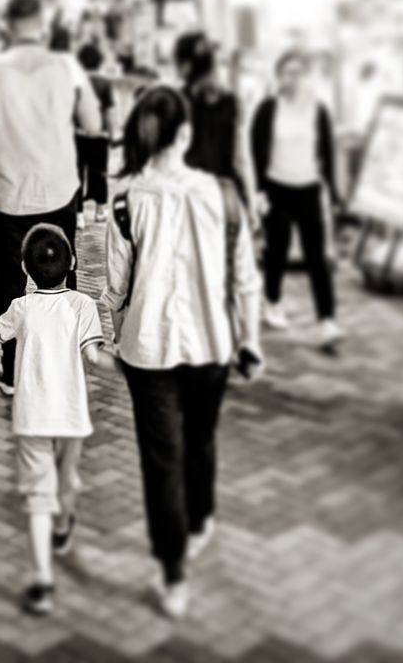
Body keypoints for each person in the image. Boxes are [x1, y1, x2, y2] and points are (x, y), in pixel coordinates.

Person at [102, 86, 262, 620]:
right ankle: (201, 520)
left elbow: (115, 284)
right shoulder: (223, 193)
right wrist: (252, 340)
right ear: (187, 134)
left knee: (160, 458)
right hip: (213, 342)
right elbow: (246, 278)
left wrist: (108, 331)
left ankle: (173, 574)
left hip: (146, 349)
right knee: (201, 437)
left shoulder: (125, 198)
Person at [0, 0, 102, 398]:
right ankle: (65, 365)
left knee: (8, 284)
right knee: (64, 280)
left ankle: (11, 373)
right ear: (42, 25)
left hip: (3, 194)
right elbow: (93, 123)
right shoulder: (68, 67)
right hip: (57, 191)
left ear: (8, 26)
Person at [0, 224, 115, 616]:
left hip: (33, 415)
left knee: (38, 496)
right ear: (71, 264)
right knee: (67, 478)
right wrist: (127, 366)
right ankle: (64, 525)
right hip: (70, 414)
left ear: (24, 267)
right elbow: (95, 357)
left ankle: (41, 581)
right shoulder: (83, 307)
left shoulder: (22, 307)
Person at [251, 49, 344, 349]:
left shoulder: (319, 110)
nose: (293, 78)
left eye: (298, 72)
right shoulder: (268, 108)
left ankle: (327, 321)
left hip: (308, 189)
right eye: (287, 72)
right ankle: (272, 300)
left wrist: (333, 193)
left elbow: (327, 153)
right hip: (277, 187)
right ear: (279, 76)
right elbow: (255, 149)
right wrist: (259, 191)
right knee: (276, 250)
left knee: (317, 256)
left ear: (305, 76)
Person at [174, 32, 256, 208]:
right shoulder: (232, 102)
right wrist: (251, 202)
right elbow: (241, 159)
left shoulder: (176, 101)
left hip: (187, 193)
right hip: (222, 194)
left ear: (186, 66)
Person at [75, 42, 114, 223]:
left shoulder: (76, 82)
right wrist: (111, 133)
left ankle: (79, 214)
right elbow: (109, 112)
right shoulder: (105, 83)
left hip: (78, 134)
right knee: (100, 172)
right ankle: (100, 210)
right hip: (99, 136)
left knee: (77, 174)